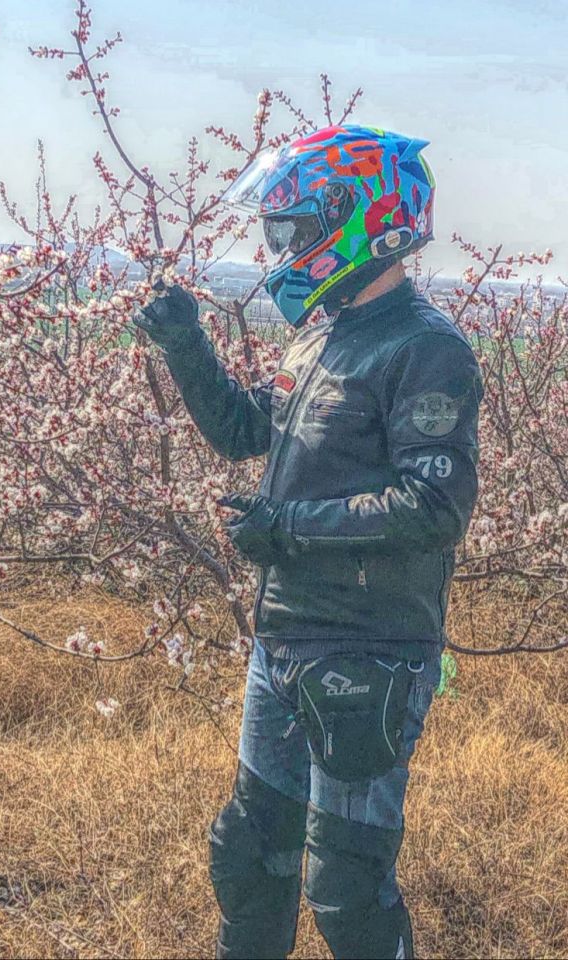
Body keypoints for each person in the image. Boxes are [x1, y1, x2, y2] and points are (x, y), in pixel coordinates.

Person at [135, 124, 483, 960]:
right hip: (285, 637)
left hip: (371, 649)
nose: (283, 249)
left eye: (294, 231)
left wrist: (286, 528)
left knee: (346, 886)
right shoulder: (323, 335)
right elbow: (242, 429)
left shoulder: (426, 349)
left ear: (357, 220)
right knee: (251, 851)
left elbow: (435, 505)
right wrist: (184, 343)